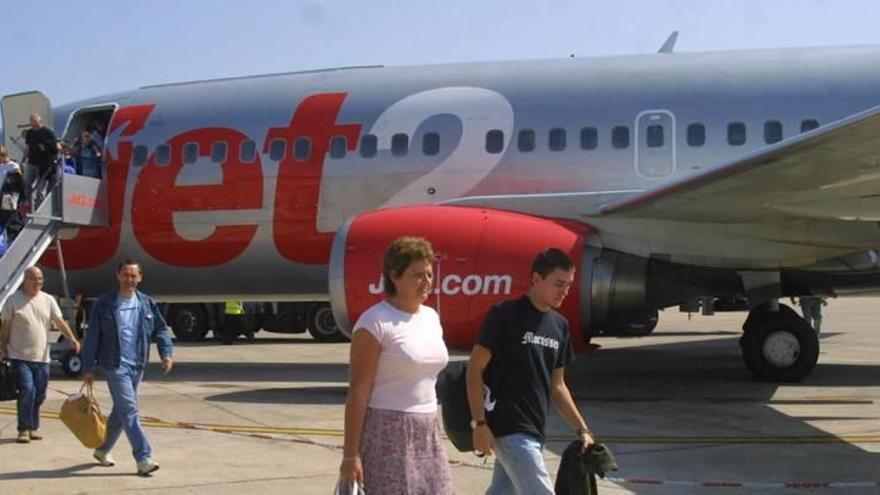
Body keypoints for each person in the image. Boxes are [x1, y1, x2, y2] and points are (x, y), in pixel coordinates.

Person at [467, 248, 595, 495]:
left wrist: (582, 429)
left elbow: (558, 386)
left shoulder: (560, 326)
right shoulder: (504, 315)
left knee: (502, 491)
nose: (564, 291)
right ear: (536, 279)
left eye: (568, 285)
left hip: (535, 429)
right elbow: (475, 368)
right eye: (558, 284)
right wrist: (479, 423)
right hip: (508, 428)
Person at [340, 237, 453, 494]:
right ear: (394, 276)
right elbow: (358, 392)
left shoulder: (431, 318)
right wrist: (350, 455)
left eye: (428, 274)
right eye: (417, 275)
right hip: (388, 430)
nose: (426, 282)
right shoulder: (375, 323)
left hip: (428, 428)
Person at [81, 259, 174, 476]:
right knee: (130, 410)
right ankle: (143, 458)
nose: (129, 280)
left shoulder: (146, 303)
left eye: (133, 276)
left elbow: (160, 330)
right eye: (125, 275)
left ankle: (102, 449)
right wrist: (88, 367)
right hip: (115, 365)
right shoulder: (104, 304)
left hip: (137, 364)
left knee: (120, 412)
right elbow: (93, 335)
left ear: (140, 278)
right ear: (118, 276)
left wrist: (166, 353)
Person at [0, 266, 80, 443]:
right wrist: (2, 348)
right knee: (27, 390)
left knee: (40, 395)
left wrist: (72, 338)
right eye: (34, 279)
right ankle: (23, 429)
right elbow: (5, 328)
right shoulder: (14, 300)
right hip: (19, 356)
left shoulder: (48, 300)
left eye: (40, 279)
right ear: (25, 280)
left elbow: (59, 321)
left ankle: (33, 427)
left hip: (42, 358)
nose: (38, 282)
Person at [22, 114, 59, 202]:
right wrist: (23, 161)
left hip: (42, 164)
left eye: (35, 122)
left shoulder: (47, 133)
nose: (33, 125)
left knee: (40, 187)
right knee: (26, 183)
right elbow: (27, 148)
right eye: (32, 122)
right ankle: (27, 202)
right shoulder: (30, 133)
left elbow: (55, 146)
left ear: (39, 122)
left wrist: (45, 148)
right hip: (31, 162)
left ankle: (39, 204)